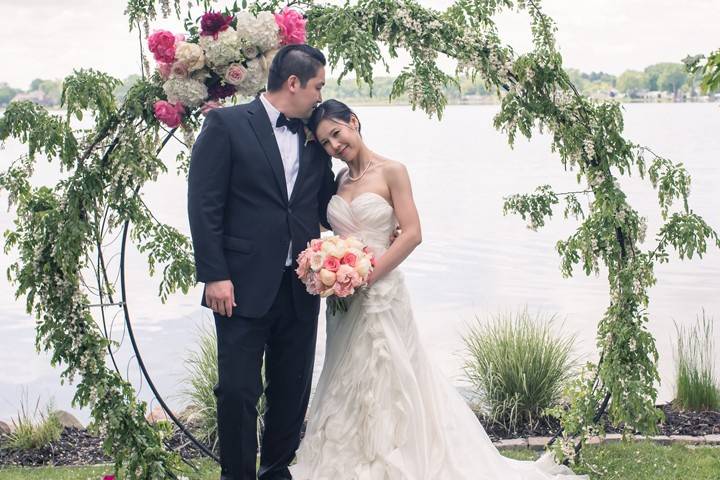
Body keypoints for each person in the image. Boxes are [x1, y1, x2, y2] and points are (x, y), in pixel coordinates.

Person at [290, 99, 587, 480]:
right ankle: (348, 458)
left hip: (381, 295)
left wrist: (365, 275)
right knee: (344, 373)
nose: (334, 146)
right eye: (326, 143)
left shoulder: (393, 171)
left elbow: (412, 233)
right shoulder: (338, 181)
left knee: (390, 373)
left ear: (353, 121)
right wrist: (333, 264)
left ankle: (397, 456)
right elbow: (341, 231)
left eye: (337, 133)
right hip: (345, 300)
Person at [187, 45, 336, 480]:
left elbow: (325, 203)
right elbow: (204, 204)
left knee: (291, 390)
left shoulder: (315, 136)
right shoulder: (226, 124)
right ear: (293, 83)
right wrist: (214, 275)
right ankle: (237, 475)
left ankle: (275, 471)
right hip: (239, 285)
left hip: (302, 285)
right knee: (236, 390)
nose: (319, 96)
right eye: (317, 86)